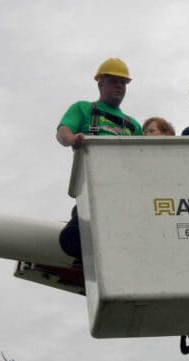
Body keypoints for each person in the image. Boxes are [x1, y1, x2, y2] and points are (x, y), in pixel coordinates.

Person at [56, 58, 143, 262]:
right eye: (114, 81)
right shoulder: (84, 109)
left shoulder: (133, 125)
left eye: (123, 83)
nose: (120, 86)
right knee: (82, 232)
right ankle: (80, 239)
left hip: (123, 190)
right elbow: (63, 131)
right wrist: (73, 139)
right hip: (92, 187)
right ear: (100, 83)